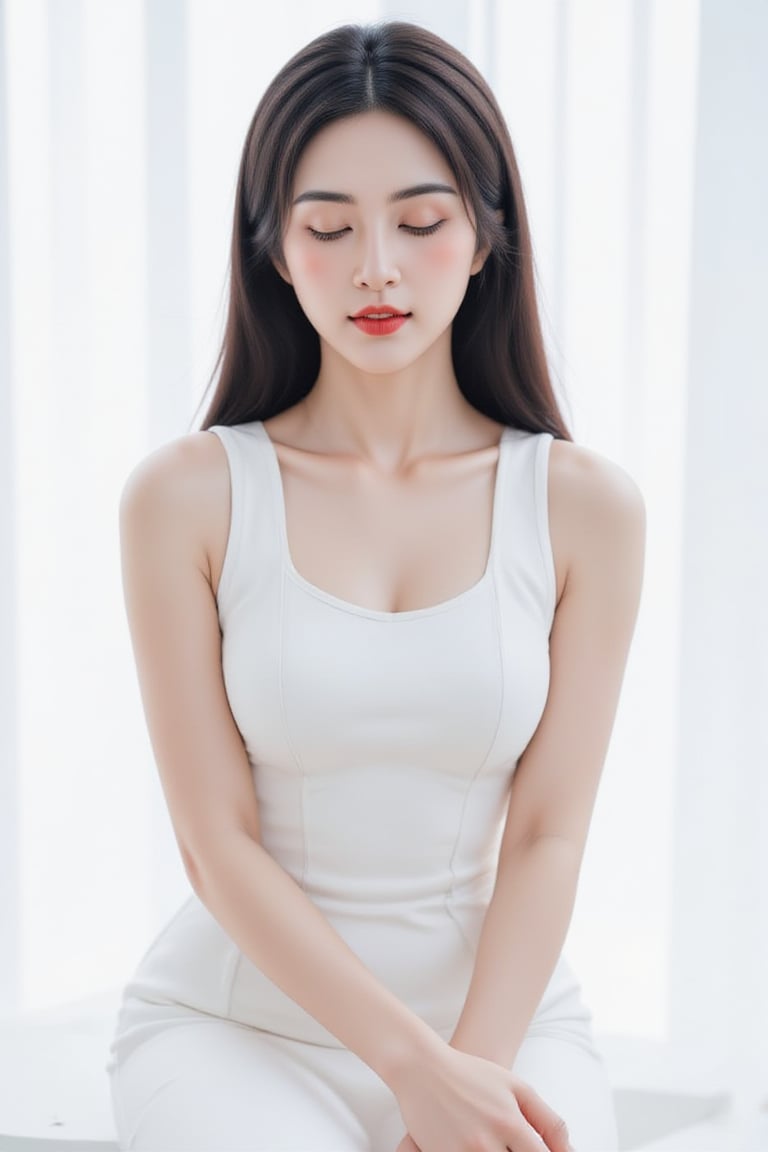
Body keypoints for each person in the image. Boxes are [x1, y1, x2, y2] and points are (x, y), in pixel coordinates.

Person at [106, 20, 645, 1152]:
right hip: (235, 1030)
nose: (377, 269)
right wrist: (412, 1069)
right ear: (273, 247)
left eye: (420, 220)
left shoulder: (585, 508)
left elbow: (549, 834)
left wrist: (468, 1078)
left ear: (486, 235)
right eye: (329, 227)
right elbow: (217, 845)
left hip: (502, 1028)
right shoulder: (187, 497)